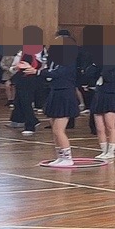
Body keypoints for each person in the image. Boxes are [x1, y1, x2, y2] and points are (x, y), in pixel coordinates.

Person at [35, 37, 80, 167]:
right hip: (55, 93)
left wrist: (37, 72)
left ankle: (68, 158)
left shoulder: (69, 60)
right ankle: (60, 156)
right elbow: (49, 72)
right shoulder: (55, 61)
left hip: (65, 94)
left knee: (58, 129)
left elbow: (58, 73)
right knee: (54, 129)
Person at [91, 49, 115, 161]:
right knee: (99, 127)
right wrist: (95, 65)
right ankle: (103, 150)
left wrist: (104, 67)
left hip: (110, 97)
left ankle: (111, 151)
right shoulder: (99, 67)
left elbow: (109, 78)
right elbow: (89, 74)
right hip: (98, 96)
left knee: (110, 126)